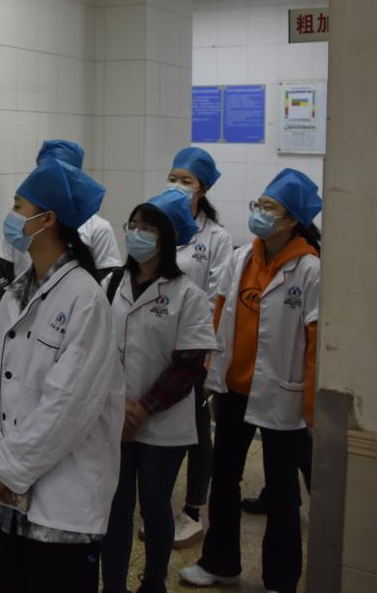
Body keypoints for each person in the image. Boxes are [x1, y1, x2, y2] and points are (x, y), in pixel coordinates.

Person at [0, 158, 124, 593]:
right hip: (8, 499)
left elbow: (68, 408)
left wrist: (5, 468)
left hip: (62, 506)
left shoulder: (85, 300)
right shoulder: (17, 293)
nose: (12, 216)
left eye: (19, 206)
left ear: (48, 219)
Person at [180, 169, 322, 592]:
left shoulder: (310, 270)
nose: (259, 212)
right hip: (235, 391)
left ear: (292, 218)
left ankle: (281, 578)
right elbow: (220, 316)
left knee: (282, 491)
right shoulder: (243, 257)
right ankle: (219, 562)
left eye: (269, 207)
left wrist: (311, 408)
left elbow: (315, 341)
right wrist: (211, 372)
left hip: (282, 396)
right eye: (258, 204)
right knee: (224, 480)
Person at [101, 190, 216, 593]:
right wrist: (119, 405)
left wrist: (141, 410)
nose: (136, 234)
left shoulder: (188, 295)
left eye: (147, 227)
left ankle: (154, 581)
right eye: (132, 225)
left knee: (154, 503)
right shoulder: (111, 283)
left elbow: (189, 365)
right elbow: (94, 349)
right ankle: (112, 585)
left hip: (163, 422)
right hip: (115, 416)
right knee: (115, 507)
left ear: (168, 235)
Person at [162, 147, 234, 548]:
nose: (177, 185)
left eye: (185, 180)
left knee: (196, 426)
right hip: (157, 341)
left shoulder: (217, 238)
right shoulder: (157, 224)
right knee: (162, 426)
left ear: (201, 188)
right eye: (173, 177)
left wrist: (204, 351)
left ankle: (192, 510)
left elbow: (215, 298)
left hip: (194, 345)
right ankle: (159, 505)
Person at [0, 140, 122, 298]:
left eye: (59, 174)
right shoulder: (21, 224)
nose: (48, 179)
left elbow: (107, 282)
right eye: (42, 170)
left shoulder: (98, 229)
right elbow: (5, 275)